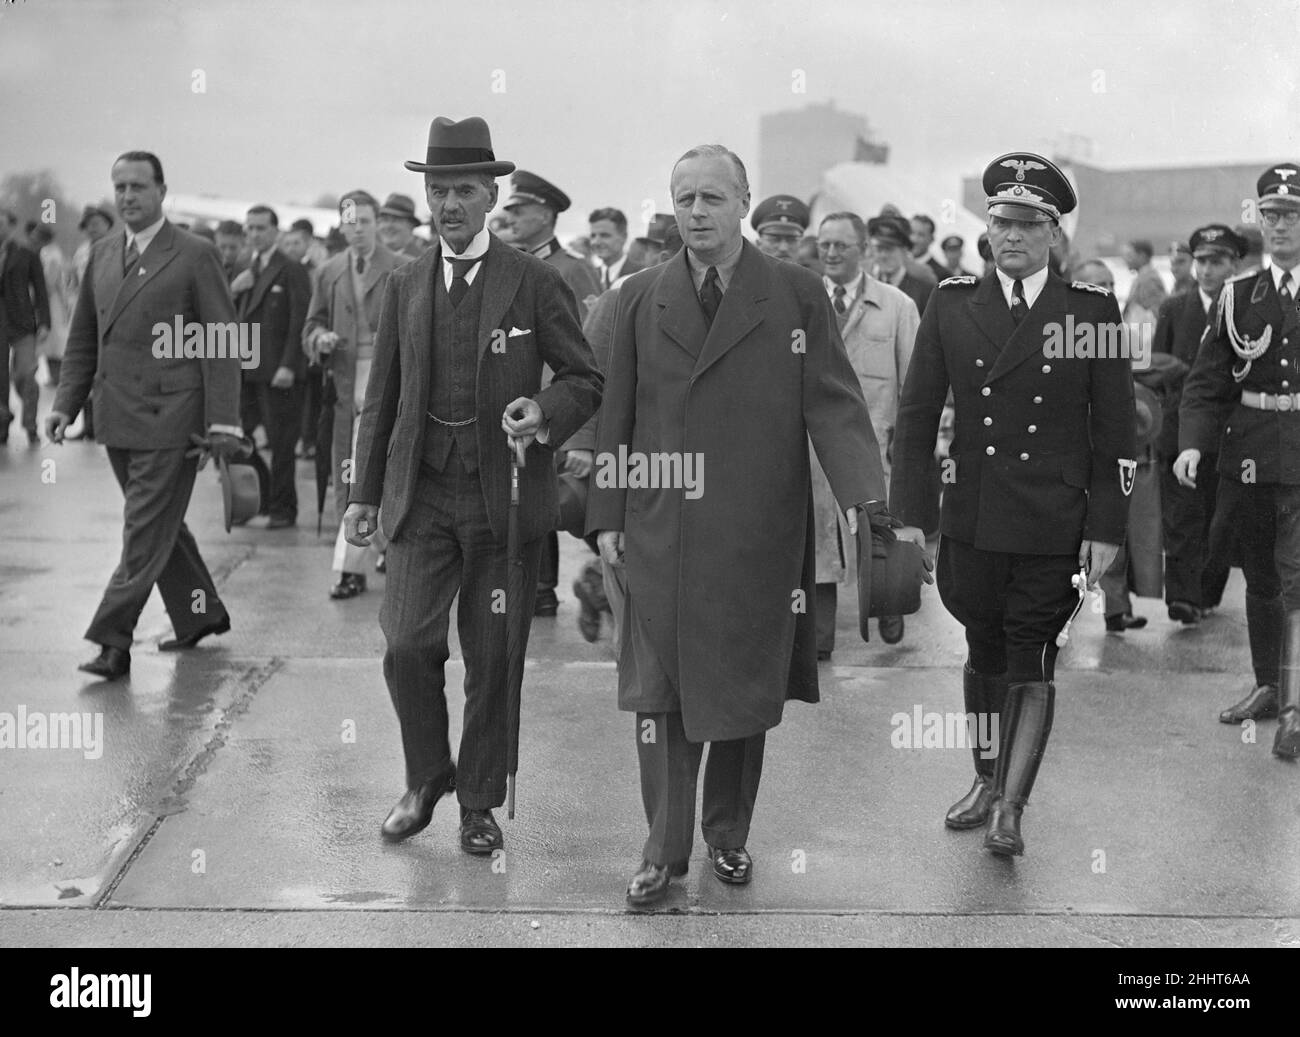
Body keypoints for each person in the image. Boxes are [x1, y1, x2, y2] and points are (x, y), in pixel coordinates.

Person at [587, 143, 924, 906]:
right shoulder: (641, 296)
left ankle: (727, 836)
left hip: (757, 530)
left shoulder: (797, 295)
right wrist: (606, 513)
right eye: (683, 199)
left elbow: (834, 405)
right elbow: (618, 415)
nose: (696, 213)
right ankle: (662, 852)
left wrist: (866, 502)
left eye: (711, 197)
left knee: (741, 693)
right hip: (660, 527)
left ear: (744, 201)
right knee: (661, 696)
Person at [344, 115, 601, 852]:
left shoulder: (535, 283)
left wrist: (543, 410)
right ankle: (428, 775)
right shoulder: (404, 283)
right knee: (404, 645)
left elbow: (587, 377)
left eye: (463, 189)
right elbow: (381, 398)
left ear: (491, 196)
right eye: (437, 190)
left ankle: (480, 802)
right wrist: (363, 495)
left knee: (493, 659)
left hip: (505, 498)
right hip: (421, 493)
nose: (449, 203)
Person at [891, 151, 1135, 856]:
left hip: (1053, 522)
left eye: (1030, 224)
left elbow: (1116, 429)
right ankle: (985, 776)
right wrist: (914, 516)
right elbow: (916, 414)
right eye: (1003, 222)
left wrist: (1108, 529)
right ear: (988, 230)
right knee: (983, 645)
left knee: (1031, 654)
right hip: (972, 514)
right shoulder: (952, 301)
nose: (1014, 236)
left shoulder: (1090, 309)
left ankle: (1012, 806)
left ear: (1054, 233)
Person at [45, 150, 243, 679]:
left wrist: (224, 421)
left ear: (161, 191)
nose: (128, 196)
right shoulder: (103, 253)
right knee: (159, 527)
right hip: (115, 416)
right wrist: (66, 403)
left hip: (172, 417)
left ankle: (113, 640)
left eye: (138, 186)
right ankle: (202, 614)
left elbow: (222, 339)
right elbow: (85, 335)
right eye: (120, 187)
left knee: (141, 529)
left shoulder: (195, 253)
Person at [1176, 163, 1300, 759]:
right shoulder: (1236, 295)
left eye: (1292, 215)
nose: (1279, 226)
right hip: (1249, 450)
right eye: (1271, 215)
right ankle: (1270, 685)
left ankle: (1296, 703)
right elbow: (1206, 382)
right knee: (1260, 576)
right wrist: (1194, 442)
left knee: (1296, 577)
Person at [813, 211, 919, 654]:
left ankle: (890, 604)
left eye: (842, 246)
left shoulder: (897, 306)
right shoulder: (803, 300)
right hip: (814, 446)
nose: (832, 254)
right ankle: (818, 640)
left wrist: (910, 444)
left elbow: (914, 382)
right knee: (819, 542)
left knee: (878, 536)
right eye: (825, 246)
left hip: (876, 442)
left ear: (863, 249)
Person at [502, 170, 603, 616]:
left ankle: (569, 587)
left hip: (559, 410)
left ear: (545, 214)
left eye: (520, 210)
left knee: (554, 502)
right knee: (522, 496)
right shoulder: (514, 265)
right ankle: (535, 587)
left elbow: (594, 353)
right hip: (522, 408)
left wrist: (587, 437)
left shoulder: (574, 270)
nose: (512, 217)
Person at [303, 190, 409, 598]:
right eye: (351, 221)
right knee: (349, 472)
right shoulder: (328, 271)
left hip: (389, 380)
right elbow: (309, 326)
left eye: (365, 221)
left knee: (377, 473)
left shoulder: (403, 268)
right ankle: (357, 561)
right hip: (345, 382)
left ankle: (366, 557)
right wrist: (320, 338)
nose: (358, 229)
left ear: (377, 222)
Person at [1153, 225, 1245, 625]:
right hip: (1177, 429)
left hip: (1228, 433)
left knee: (1218, 517)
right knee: (1181, 517)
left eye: (1216, 262)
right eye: (1201, 261)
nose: (1206, 270)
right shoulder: (1174, 308)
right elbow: (1151, 362)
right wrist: (1180, 372)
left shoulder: (1244, 307)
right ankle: (1183, 596)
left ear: (1233, 264)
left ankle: (1206, 592)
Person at [232, 205, 311, 528]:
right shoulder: (245, 267)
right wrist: (235, 289)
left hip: (279, 371)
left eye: (261, 228)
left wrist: (290, 365)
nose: (254, 234)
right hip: (248, 369)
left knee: (281, 444)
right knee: (238, 436)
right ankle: (264, 497)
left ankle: (282, 509)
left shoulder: (290, 269)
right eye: (249, 228)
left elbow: (300, 320)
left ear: (275, 231)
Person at [0, 208, 51, 446]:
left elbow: (40, 289)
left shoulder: (26, 253)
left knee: (24, 374)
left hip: (22, 322)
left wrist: (45, 321)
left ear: (11, 226)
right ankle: (2, 424)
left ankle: (30, 423)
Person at [29, 225, 71, 388]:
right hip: (47, 302)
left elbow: (48, 283)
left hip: (52, 303)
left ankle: (58, 377)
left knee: (54, 343)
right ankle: (55, 377)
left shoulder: (52, 255)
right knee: (49, 344)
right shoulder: (45, 253)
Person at [870, 213, 933, 317]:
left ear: (904, 250)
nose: (884, 255)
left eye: (890, 249)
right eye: (879, 249)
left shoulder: (924, 292)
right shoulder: (863, 285)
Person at [589, 207, 641, 290]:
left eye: (604, 235)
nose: (596, 242)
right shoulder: (589, 276)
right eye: (593, 236)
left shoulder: (640, 274)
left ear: (624, 237)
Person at [751, 194, 808, 263]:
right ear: (758, 244)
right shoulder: (743, 273)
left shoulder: (814, 273)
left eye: (791, 239)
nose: (783, 248)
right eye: (774, 239)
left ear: (801, 245)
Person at [1123, 238, 1167, 327]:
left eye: (1130, 255)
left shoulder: (1148, 280)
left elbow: (1158, 313)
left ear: (1142, 256)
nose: (1126, 260)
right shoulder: (1143, 277)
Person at [377, 193, 428, 259]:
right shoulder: (369, 259)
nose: (388, 226)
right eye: (385, 220)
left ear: (411, 225)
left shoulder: (422, 261)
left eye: (396, 220)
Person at [911, 214, 951, 282]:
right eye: (911, 232)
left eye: (921, 235)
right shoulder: (896, 264)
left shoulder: (942, 276)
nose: (914, 239)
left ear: (931, 240)